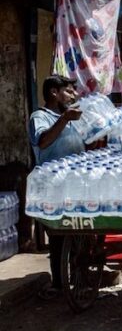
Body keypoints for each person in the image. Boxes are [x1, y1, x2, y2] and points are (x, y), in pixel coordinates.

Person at [28, 75, 84, 299]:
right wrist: (65, 119)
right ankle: (59, 283)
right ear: (54, 93)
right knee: (59, 234)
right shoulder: (40, 117)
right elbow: (42, 141)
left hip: (75, 182)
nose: (73, 95)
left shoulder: (66, 117)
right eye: (69, 91)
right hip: (54, 186)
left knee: (81, 232)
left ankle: (80, 276)